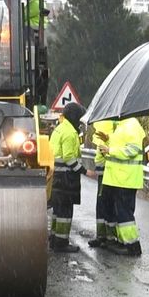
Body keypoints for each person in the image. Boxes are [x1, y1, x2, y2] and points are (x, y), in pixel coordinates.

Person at [96, 117, 148, 255]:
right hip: (118, 179)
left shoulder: (131, 125)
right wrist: (107, 140)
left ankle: (132, 246)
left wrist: (110, 150)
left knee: (125, 213)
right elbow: (121, 145)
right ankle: (123, 241)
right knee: (119, 212)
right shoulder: (122, 125)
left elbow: (133, 149)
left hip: (126, 179)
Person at [48, 102, 85, 253]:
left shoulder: (60, 128)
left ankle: (54, 238)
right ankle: (61, 243)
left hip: (57, 176)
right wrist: (82, 170)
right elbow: (69, 157)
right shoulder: (70, 132)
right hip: (66, 178)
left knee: (58, 210)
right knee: (65, 211)